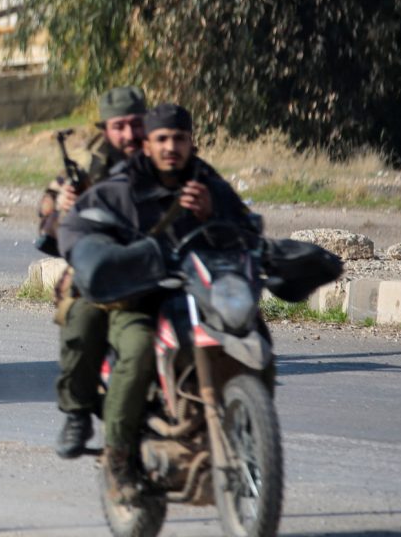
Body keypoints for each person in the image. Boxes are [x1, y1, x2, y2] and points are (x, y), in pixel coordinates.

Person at [57, 104, 248, 503]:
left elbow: (247, 229)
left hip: (194, 294)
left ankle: (246, 426)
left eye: (180, 138)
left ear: (191, 141)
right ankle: (118, 458)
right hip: (136, 299)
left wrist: (213, 215)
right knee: (140, 347)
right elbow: (75, 228)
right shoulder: (120, 186)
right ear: (148, 144)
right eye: (162, 139)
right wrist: (101, 258)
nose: (172, 147)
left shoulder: (207, 182)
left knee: (244, 331)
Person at [40, 86, 147, 460]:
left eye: (136, 125)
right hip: (101, 270)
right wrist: (62, 208)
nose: (130, 135)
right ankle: (77, 413)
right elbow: (47, 222)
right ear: (106, 128)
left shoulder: (165, 151)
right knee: (82, 322)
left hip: (160, 263)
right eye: (120, 127)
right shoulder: (86, 164)